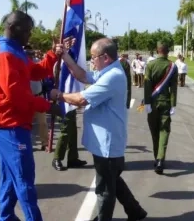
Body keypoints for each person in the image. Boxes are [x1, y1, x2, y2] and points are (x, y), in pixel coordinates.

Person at [50, 38, 147, 221]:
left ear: (106, 57)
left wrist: (59, 95)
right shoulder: (107, 70)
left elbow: (81, 99)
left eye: (93, 57)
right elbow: (82, 76)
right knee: (112, 180)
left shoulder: (112, 76)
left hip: (107, 143)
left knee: (104, 189)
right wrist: (65, 56)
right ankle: (135, 211)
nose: (91, 60)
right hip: (105, 141)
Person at [0, 10, 65, 221]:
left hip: (13, 121)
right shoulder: (5, 54)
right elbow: (16, 96)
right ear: (12, 28)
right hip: (8, 124)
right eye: (27, 31)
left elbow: (36, 72)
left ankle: (6, 217)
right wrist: (48, 106)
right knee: (23, 178)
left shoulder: (16, 51)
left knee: (9, 177)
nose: (30, 35)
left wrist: (52, 55)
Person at [143, 42, 178, 175]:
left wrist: (146, 103)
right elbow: (173, 88)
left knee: (154, 132)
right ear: (167, 52)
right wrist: (173, 104)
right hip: (165, 103)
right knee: (164, 131)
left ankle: (157, 158)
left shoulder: (150, 65)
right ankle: (160, 159)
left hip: (152, 103)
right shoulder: (172, 66)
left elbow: (147, 85)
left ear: (157, 51)